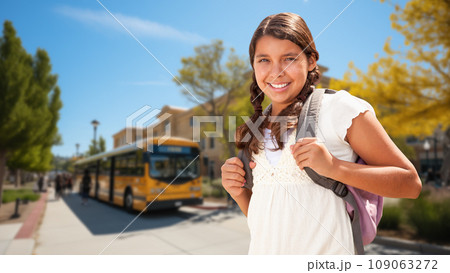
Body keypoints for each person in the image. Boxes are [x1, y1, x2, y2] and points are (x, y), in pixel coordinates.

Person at [221, 12, 422, 255]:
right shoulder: (256, 129)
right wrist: (239, 193)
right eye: (264, 60)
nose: (276, 72)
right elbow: (265, 219)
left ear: (311, 61)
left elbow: (410, 184)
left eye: (289, 58)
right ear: (253, 65)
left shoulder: (339, 108)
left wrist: (334, 167)